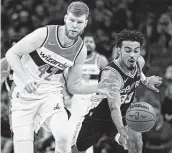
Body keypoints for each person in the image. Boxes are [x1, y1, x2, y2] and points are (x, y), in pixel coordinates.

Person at [5, 2, 114, 153]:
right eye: (72, 20)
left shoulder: (80, 50)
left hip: (50, 95)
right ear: (65, 18)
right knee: (24, 148)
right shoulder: (44, 34)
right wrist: (25, 79)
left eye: (79, 22)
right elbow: (11, 53)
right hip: (24, 95)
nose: (75, 25)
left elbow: (73, 86)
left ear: (85, 23)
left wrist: (98, 87)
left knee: (64, 137)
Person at [72, 30, 162, 153]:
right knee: (77, 149)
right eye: (128, 50)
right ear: (119, 50)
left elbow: (138, 72)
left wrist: (146, 81)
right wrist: (121, 131)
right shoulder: (112, 75)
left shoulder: (139, 61)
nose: (132, 55)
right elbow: (114, 107)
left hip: (124, 112)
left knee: (135, 140)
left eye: (136, 50)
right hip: (99, 114)